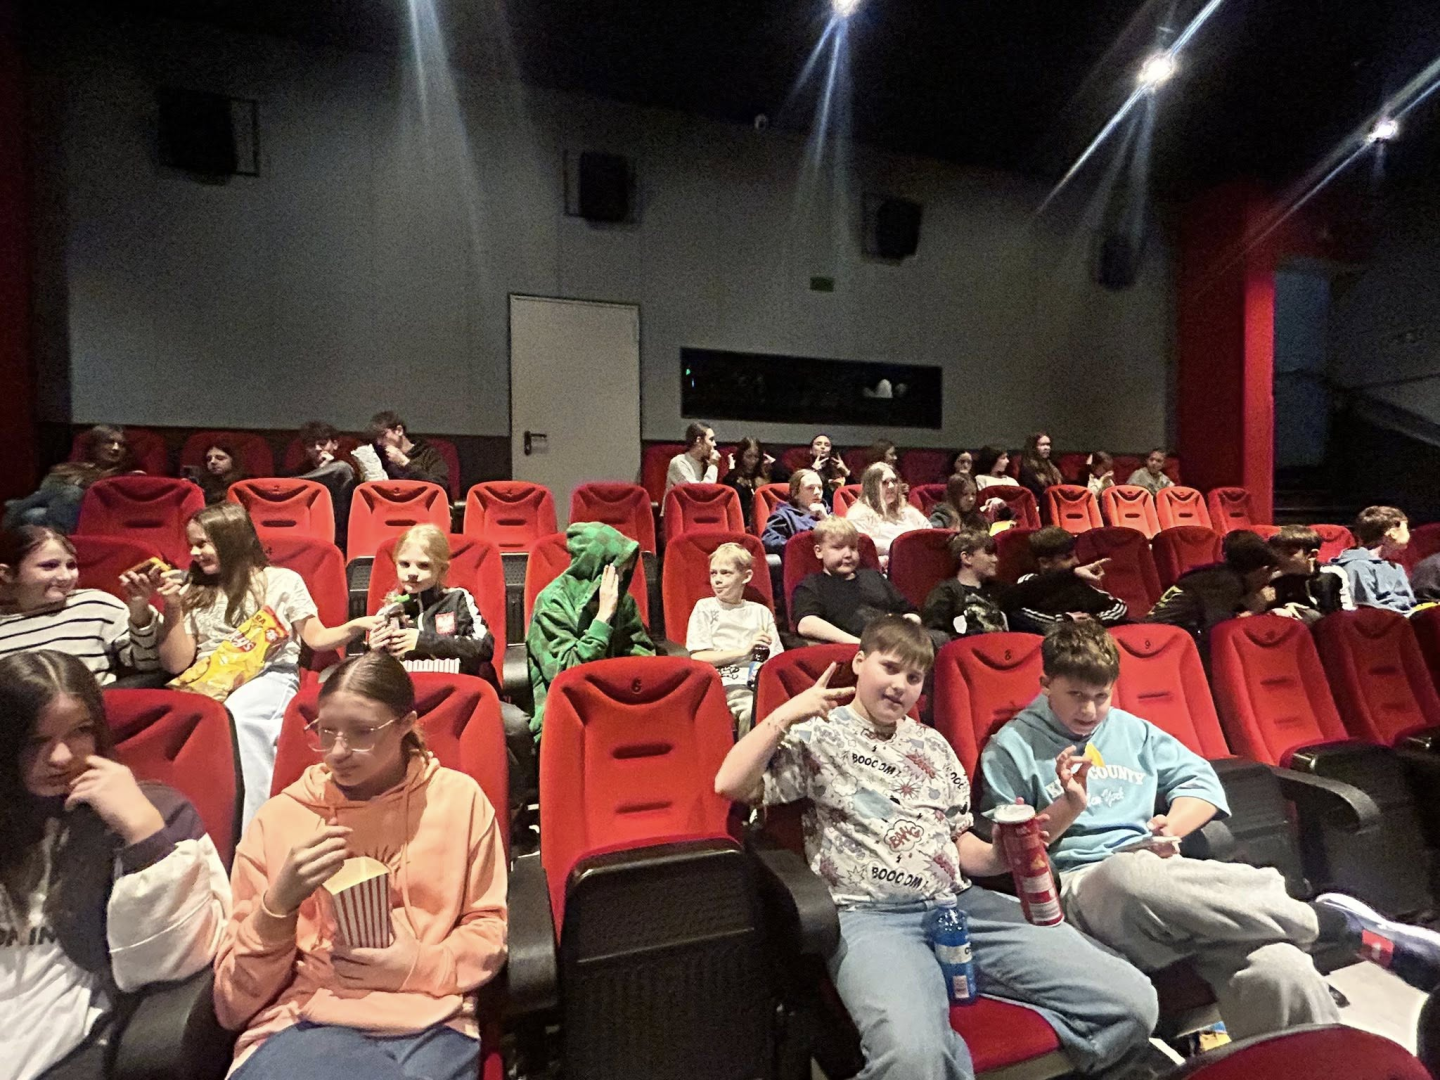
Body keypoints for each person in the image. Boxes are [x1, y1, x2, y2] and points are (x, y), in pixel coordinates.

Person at [713, 616, 1160, 1080]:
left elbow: (967, 850)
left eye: (913, 677)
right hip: (871, 918)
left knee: (1133, 1001)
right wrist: (785, 715)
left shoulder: (932, 745)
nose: (899, 686)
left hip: (960, 905)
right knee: (913, 1061)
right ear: (860, 663)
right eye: (889, 668)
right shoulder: (817, 733)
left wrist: (1029, 833)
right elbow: (730, 783)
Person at [980, 619, 1440, 1041]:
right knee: (1127, 875)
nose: (1090, 710)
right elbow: (1014, 850)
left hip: (1165, 880)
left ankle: (1320, 1049)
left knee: (1281, 968)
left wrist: (1172, 827)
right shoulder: (1011, 747)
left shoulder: (1133, 731)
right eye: (1076, 695)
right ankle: (1330, 922)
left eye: (1102, 696)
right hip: (1085, 885)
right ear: (1046, 684)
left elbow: (1202, 785)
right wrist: (1070, 806)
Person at [213, 652, 507, 1080]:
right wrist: (278, 906)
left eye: (363, 733)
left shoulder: (459, 800)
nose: (338, 752)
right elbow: (231, 1003)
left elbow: (488, 929)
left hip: (430, 1021)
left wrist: (417, 965)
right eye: (325, 731)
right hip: (303, 1024)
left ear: (406, 725)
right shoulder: (279, 818)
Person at [2, 650, 229, 1080]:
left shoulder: (158, 811)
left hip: (76, 1040)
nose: (61, 757)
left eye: (81, 732)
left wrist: (143, 833)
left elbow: (176, 960)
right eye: (34, 741)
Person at [127, 504, 380, 827]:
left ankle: (255, 828)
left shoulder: (282, 581)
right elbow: (177, 663)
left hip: (269, 674)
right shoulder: (192, 589)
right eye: (192, 544)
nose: (194, 553)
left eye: (203, 543)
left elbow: (316, 638)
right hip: (208, 681)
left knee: (238, 716)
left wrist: (358, 624)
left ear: (231, 540)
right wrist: (173, 607)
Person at [367, 525, 536, 823]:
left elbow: (484, 646)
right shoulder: (388, 610)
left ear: (441, 569)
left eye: (423, 566)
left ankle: (515, 806)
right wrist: (374, 650)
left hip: (466, 695)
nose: (412, 573)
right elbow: (375, 674)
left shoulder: (458, 599)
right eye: (405, 564)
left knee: (517, 724)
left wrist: (423, 641)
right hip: (410, 701)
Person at [526, 522, 655, 743]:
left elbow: (641, 654)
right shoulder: (551, 603)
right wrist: (603, 618)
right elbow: (567, 675)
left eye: (626, 571)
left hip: (618, 703)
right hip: (567, 711)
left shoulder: (624, 602)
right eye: (618, 570)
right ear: (595, 568)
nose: (622, 578)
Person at [0, 525, 161, 686]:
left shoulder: (96, 605)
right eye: (49, 566)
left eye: (71, 565)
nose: (65, 576)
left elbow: (151, 664)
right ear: (7, 574)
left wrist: (140, 612)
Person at [686, 542, 784, 734]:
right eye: (713, 573)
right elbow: (699, 657)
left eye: (726, 573)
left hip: (760, 681)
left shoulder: (760, 612)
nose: (717, 580)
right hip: (726, 681)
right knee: (751, 711)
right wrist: (744, 652)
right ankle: (750, 754)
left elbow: (776, 658)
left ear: (746, 576)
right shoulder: (705, 608)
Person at [1145, 530, 1279, 652]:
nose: (1268, 581)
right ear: (1262, 570)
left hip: (1163, 638)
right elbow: (1216, 633)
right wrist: (1254, 611)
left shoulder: (1219, 575)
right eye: (1271, 572)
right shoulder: (1225, 583)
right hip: (1158, 643)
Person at [791, 517, 918, 643]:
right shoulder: (812, 585)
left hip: (896, 641)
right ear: (819, 551)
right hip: (852, 647)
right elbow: (806, 624)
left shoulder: (874, 577)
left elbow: (911, 613)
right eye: (838, 547)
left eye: (853, 548)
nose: (848, 555)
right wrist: (859, 644)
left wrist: (901, 625)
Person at [3, 425, 137, 532]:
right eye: (109, 442)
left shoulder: (124, 475)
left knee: (34, 512)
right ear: (95, 445)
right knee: (36, 511)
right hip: (51, 508)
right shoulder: (68, 468)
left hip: (83, 514)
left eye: (122, 445)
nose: (116, 448)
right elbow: (46, 490)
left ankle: (17, 510)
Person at [1001, 527, 1128, 634]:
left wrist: (1094, 620)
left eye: (1075, 554)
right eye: (1067, 557)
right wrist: (1066, 620)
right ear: (1044, 562)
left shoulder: (1074, 582)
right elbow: (1020, 613)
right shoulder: (1029, 582)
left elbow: (1119, 605)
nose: (1077, 562)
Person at [921, 529, 1008, 645]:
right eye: (989, 554)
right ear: (967, 558)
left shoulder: (1000, 589)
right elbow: (935, 636)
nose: (995, 559)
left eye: (995, 554)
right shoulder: (946, 593)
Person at [1332, 506, 1416, 614]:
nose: (1409, 533)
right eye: (1406, 528)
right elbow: (1365, 607)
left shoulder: (1396, 568)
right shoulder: (1356, 566)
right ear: (1392, 533)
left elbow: (1409, 601)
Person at [844, 462, 929, 566]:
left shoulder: (908, 511)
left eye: (894, 481)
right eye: (885, 482)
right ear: (872, 487)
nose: (892, 486)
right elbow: (863, 547)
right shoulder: (858, 514)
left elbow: (928, 534)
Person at [1267, 526, 1352, 623]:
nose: (1281, 558)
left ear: (1312, 555)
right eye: (1277, 554)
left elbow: (1346, 612)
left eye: (1290, 553)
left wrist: (1306, 612)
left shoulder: (1332, 574)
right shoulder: (1272, 577)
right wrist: (1283, 608)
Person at [290, 421, 357, 543]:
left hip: (342, 520)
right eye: (311, 445)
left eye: (322, 444)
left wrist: (328, 468)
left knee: (341, 468)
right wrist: (322, 469)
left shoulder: (347, 461)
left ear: (335, 444)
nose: (317, 449)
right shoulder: (303, 469)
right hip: (311, 518)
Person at [368, 411, 450, 491]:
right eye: (377, 438)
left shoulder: (429, 454)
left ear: (399, 431)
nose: (379, 442)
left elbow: (440, 485)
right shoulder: (382, 457)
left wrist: (405, 463)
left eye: (383, 435)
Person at [720, 436, 787, 528]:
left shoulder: (766, 473)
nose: (752, 461)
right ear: (741, 456)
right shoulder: (732, 478)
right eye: (748, 456)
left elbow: (788, 480)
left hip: (767, 520)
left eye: (756, 457)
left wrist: (774, 463)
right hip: (743, 523)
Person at [761, 469, 828, 556]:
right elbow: (769, 542)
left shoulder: (829, 513)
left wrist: (826, 519)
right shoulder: (783, 516)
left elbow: (843, 539)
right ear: (795, 493)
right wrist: (802, 547)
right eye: (810, 488)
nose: (817, 492)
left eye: (820, 488)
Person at [665, 421, 720, 496]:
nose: (714, 444)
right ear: (699, 440)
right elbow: (699, 493)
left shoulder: (706, 463)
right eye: (711, 439)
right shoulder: (679, 462)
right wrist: (713, 466)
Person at [196, 440, 247, 505]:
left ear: (233, 460)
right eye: (209, 459)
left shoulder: (244, 483)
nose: (212, 462)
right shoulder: (202, 485)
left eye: (220, 458)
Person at [1017, 432, 1063, 502]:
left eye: (1048, 444)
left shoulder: (1052, 466)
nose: (1046, 448)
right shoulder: (1027, 470)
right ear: (1033, 448)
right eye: (1042, 445)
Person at [807, 433, 851, 501]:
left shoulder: (836, 470)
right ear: (811, 450)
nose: (823, 447)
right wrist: (814, 471)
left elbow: (854, 492)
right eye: (818, 444)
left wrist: (846, 473)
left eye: (827, 445)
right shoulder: (804, 470)